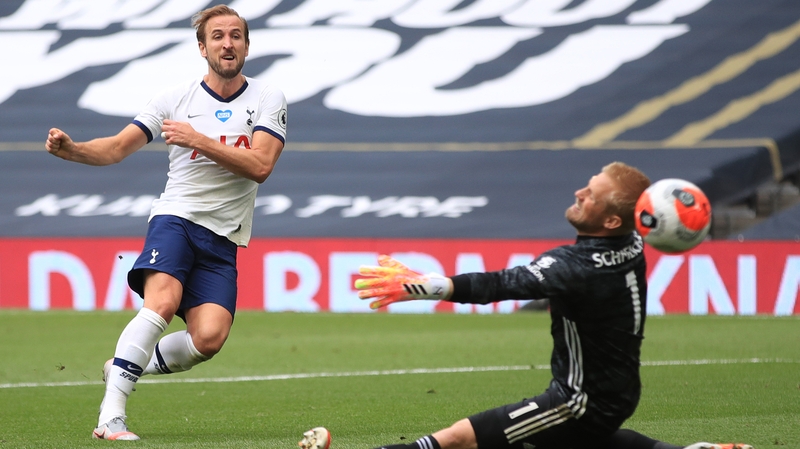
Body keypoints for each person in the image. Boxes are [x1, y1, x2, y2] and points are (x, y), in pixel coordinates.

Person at [298, 162, 751, 449]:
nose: (579, 193)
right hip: (615, 393)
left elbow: (502, 284)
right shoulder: (631, 244)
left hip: (578, 400)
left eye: (591, 195)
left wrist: (421, 286)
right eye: (588, 185)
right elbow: (651, 216)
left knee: (458, 439)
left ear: (613, 219)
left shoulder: (576, 265)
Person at [45, 5, 287, 441]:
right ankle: (111, 415)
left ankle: (121, 365)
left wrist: (198, 139)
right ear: (202, 47)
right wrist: (73, 150)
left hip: (224, 237)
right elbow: (118, 148)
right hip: (175, 219)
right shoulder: (174, 98)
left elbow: (261, 165)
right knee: (161, 303)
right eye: (217, 37)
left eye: (236, 35)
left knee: (208, 339)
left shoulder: (267, 98)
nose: (227, 43)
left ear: (247, 46)